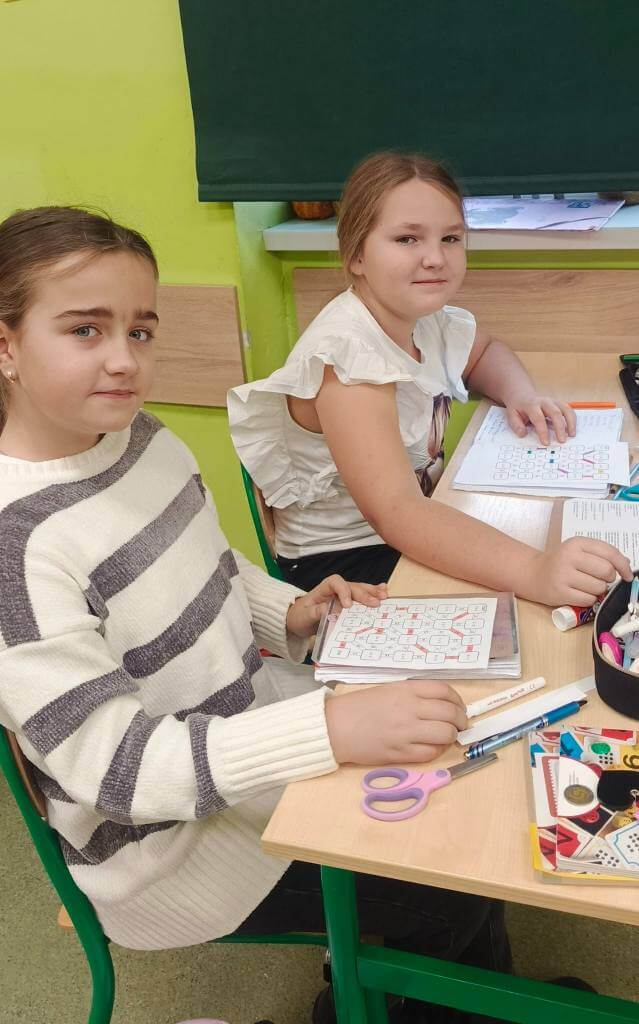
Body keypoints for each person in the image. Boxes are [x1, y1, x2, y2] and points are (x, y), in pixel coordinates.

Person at [0, 206, 510, 1024]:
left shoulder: (141, 439)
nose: (124, 359)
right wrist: (330, 730)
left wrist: (290, 613)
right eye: (86, 330)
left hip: (253, 728)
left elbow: (212, 562)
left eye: (140, 331)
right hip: (170, 847)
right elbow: (121, 771)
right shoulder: (17, 547)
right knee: (446, 881)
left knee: (465, 787)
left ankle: (469, 1001)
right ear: (6, 346)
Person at [228, 152, 632, 599]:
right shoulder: (348, 361)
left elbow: (484, 353)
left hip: (411, 523)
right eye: (407, 239)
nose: (436, 258)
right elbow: (397, 512)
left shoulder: (423, 319)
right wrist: (535, 571)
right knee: (530, 601)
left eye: (451, 238)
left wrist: (521, 395)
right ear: (356, 254)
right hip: (346, 564)